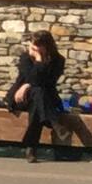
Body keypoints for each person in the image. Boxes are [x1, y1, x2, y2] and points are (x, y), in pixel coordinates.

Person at [9, 28, 70, 162]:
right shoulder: (26, 57)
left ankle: (31, 147)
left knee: (38, 100)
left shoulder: (58, 60)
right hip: (21, 97)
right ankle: (54, 123)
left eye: (37, 45)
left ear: (46, 46)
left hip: (44, 97)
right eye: (32, 44)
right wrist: (38, 60)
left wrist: (28, 84)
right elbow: (31, 78)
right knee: (38, 94)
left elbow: (49, 82)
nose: (34, 47)